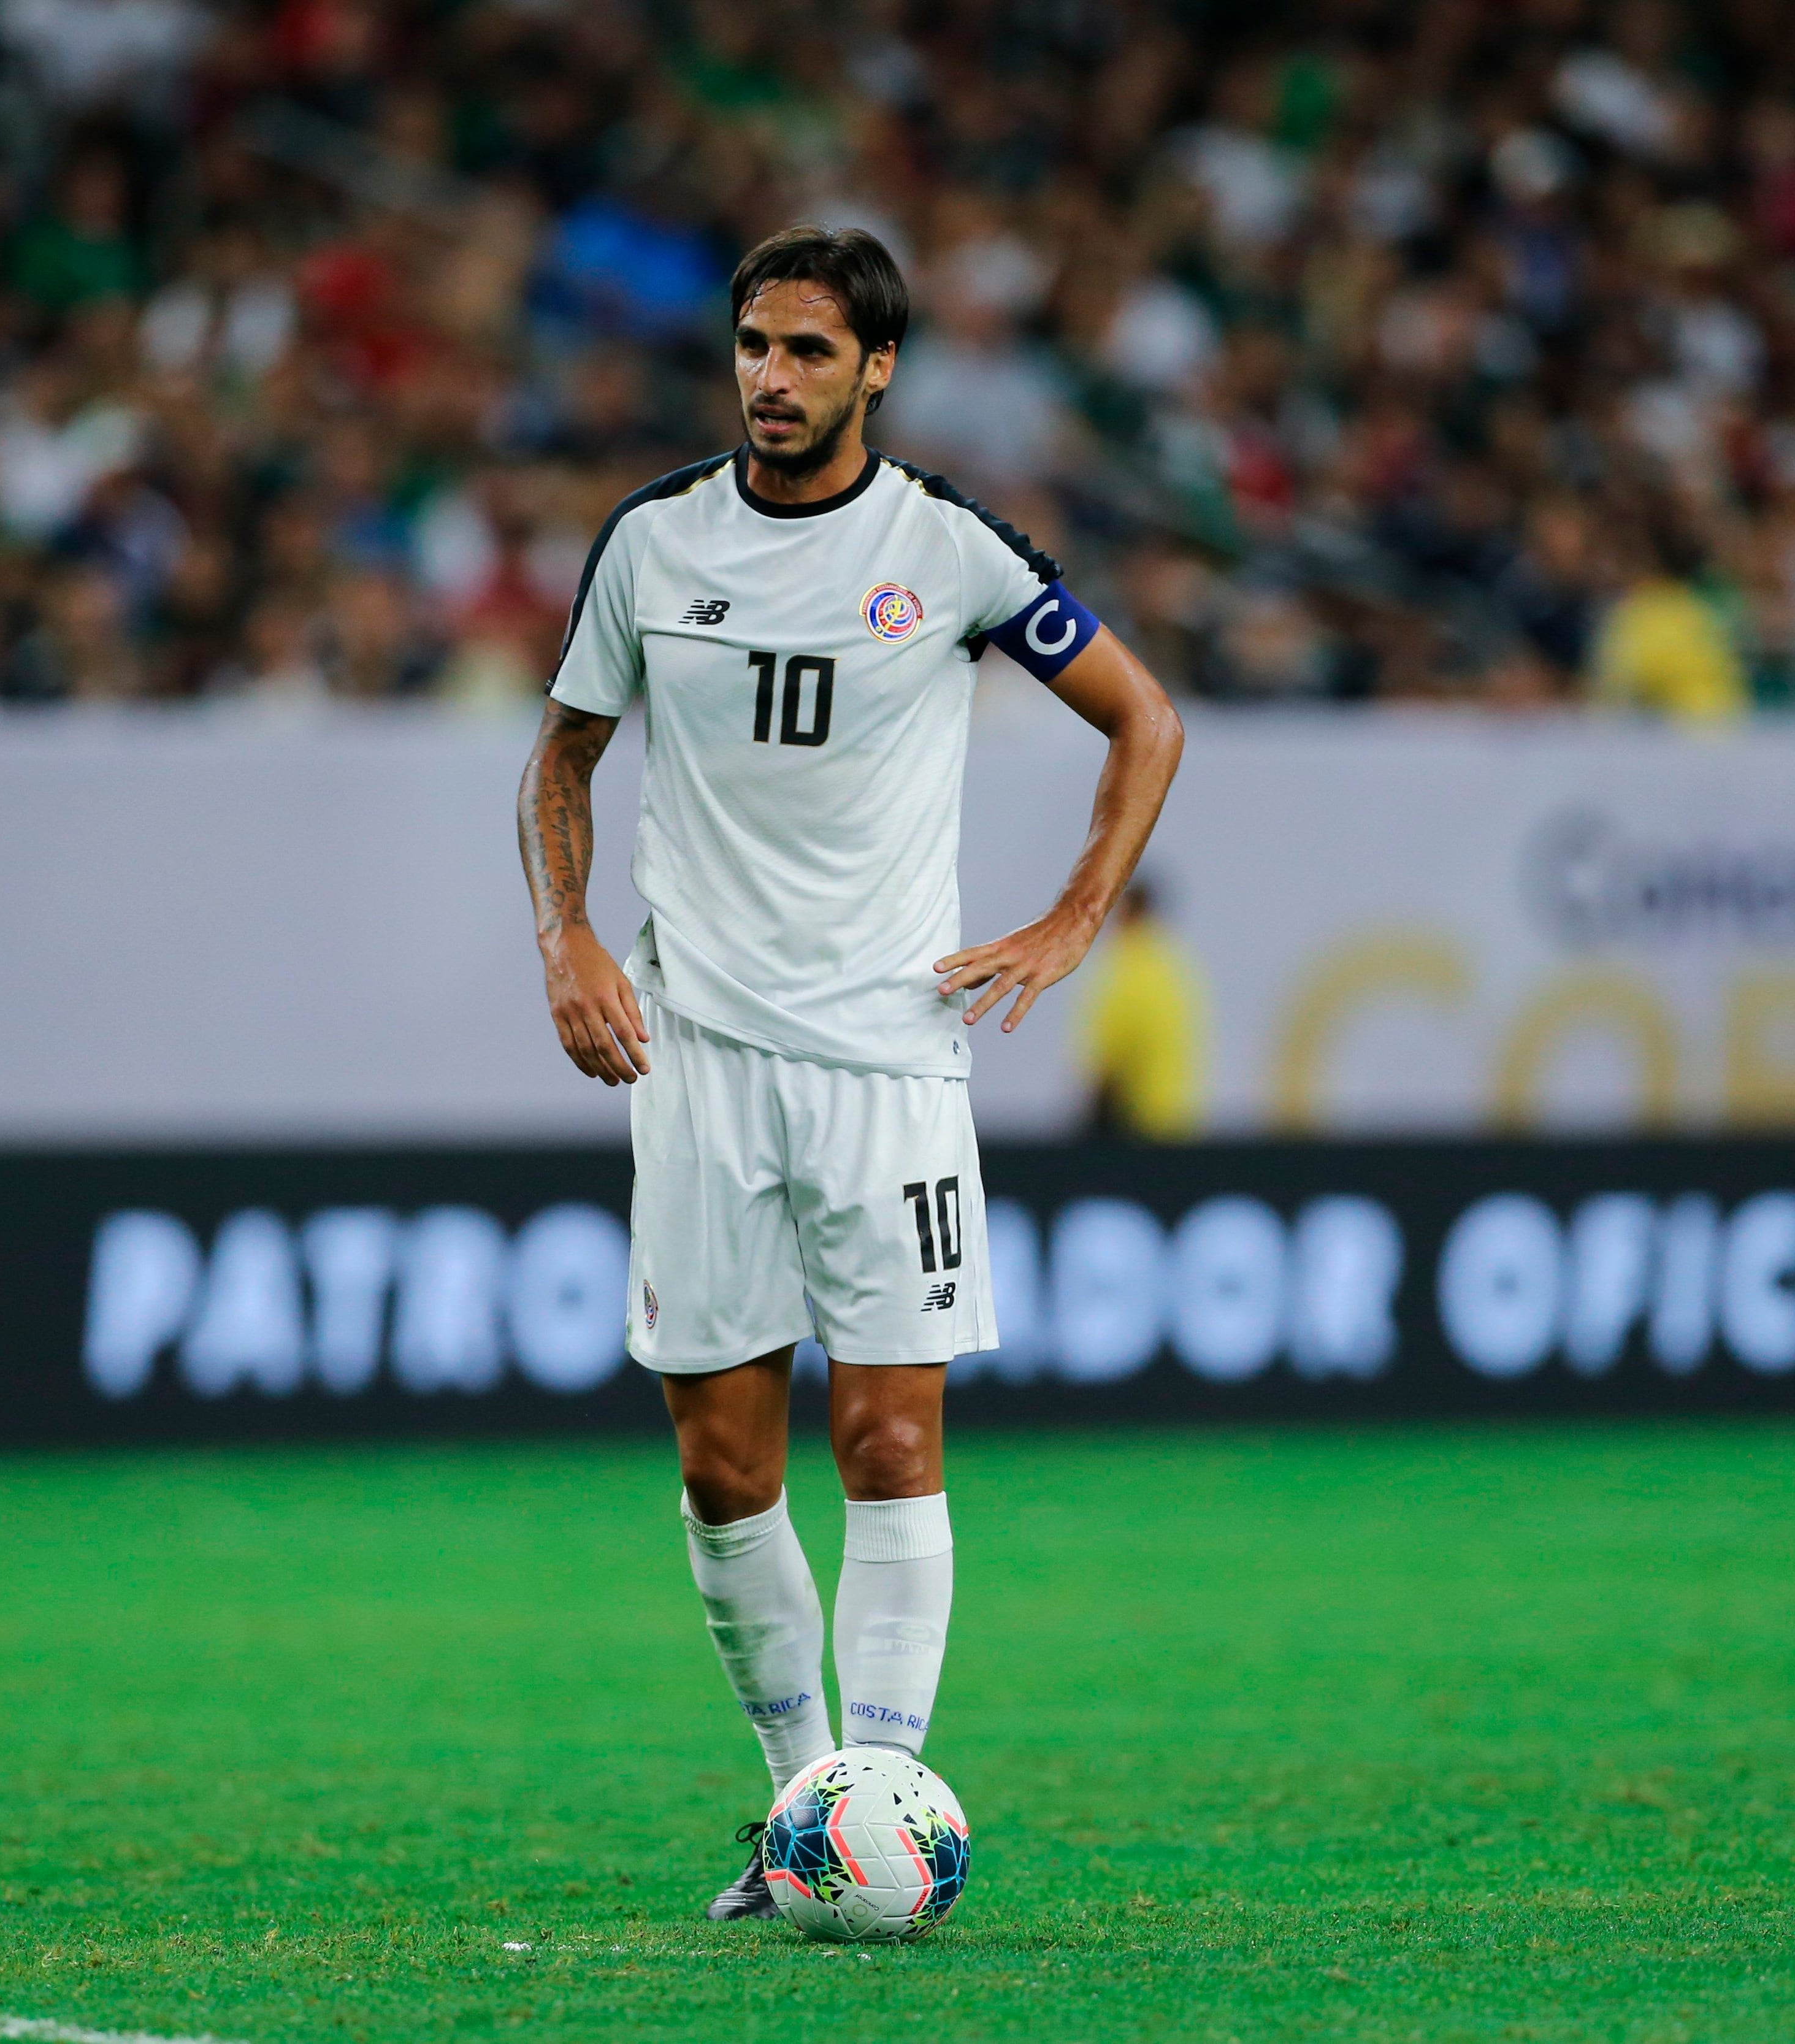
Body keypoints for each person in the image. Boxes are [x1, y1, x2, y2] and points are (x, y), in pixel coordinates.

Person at [515, 226, 1183, 1920]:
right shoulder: (656, 541)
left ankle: (880, 1783)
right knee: (724, 1465)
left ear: (877, 369)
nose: (771, 377)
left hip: (890, 1055)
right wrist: (568, 943)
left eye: (809, 351)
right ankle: (797, 1806)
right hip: (704, 1054)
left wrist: (1069, 920)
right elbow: (563, 761)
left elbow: (1145, 717)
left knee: (890, 1434)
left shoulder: (945, 548)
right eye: (753, 345)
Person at [1078, 878, 1208, 1139]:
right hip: (1177, 1112)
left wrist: (1094, 1114)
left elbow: (1115, 1045)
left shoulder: (1126, 965)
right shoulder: (1173, 966)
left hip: (1133, 1118)